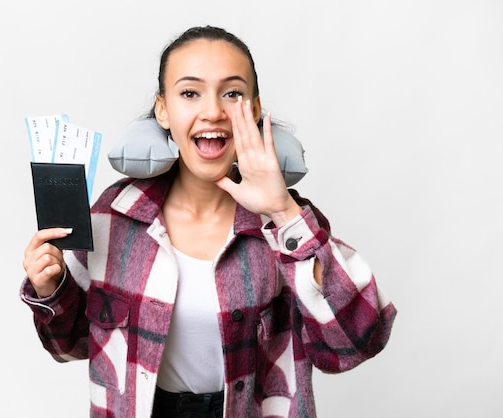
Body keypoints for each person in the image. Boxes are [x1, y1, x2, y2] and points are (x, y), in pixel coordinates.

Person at [21, 25, 396, 418]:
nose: (213, 110)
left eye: (232, 93)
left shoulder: (289, 225)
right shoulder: (113, 215)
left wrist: (283, 211)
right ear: (163, 110)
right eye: (189, 93)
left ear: (252, 109)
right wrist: (51, 290)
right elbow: (70, 347)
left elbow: (357, 343)